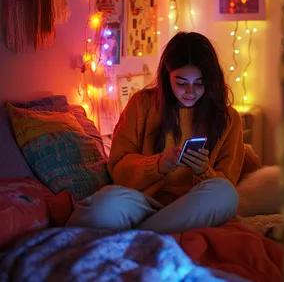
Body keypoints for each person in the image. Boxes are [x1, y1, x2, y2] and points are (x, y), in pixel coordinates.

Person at [67, 32, 245, 233]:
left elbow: (227, 183)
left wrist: (204, 171)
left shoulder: (228, 119)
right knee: (105, 202)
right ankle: (158, 232)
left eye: (199, 82)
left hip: (193, 207)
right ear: (167, 76)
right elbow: (118, 170)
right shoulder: (142, 104)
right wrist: (158, 165)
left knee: (226, 194)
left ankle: (142, 235)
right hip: (143, 205)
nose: (191, 91)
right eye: (181, 82)